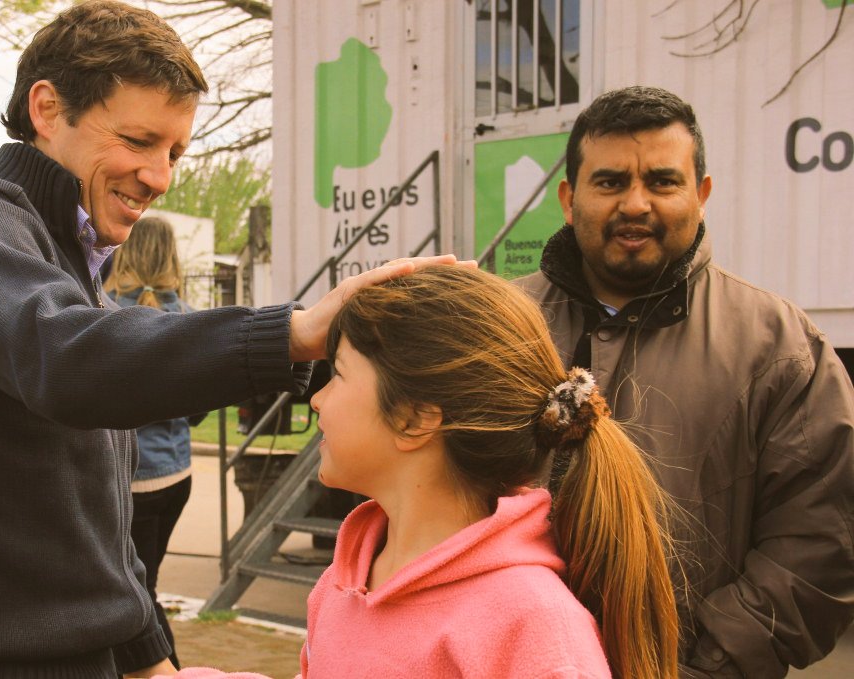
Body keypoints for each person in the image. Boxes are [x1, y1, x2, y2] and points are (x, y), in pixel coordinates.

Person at [0, 2, 464, 678]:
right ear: (47, 109)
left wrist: (150, 660)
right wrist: (291, 330)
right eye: (140, 141)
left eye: (174, 152)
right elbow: (73, 361)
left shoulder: (67, 258)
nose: (161, 176)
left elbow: (98, 522)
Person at [169, 265, 679, 679]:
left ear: (414, 418)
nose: (316, 400)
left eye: (337, 375)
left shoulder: (532, 629)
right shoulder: (342, 583)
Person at [514, 85, 854, 677]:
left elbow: (819, 546)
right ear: (569, 199)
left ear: (701, 195)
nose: (636, 204)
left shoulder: (779, 346)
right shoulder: (502, 327)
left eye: (663, 182)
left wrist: (707, 667)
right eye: (611, 181)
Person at [104, 215, 201, 669]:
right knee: (146, 588)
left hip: (132, 482)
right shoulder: (187, 319)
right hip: (177, 476)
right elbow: (200, 405)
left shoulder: (103, 313)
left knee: (136, 598)